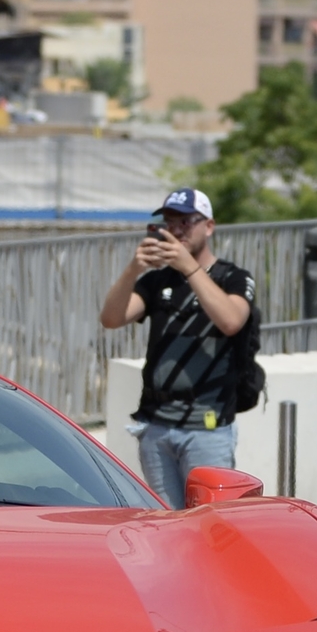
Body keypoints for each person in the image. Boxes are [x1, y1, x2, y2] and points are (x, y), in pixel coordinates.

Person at [99, 186, 259, 506]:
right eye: (170, 223)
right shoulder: (158, 281)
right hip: (157, 425)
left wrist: (190, 268)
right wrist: (134, 269)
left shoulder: (233, 278)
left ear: (209, 226)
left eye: (186, 222)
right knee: (167, 524)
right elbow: (112, 318)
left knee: (212, 523)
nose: (176, 230)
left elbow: (231, 321)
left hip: (207, 426)